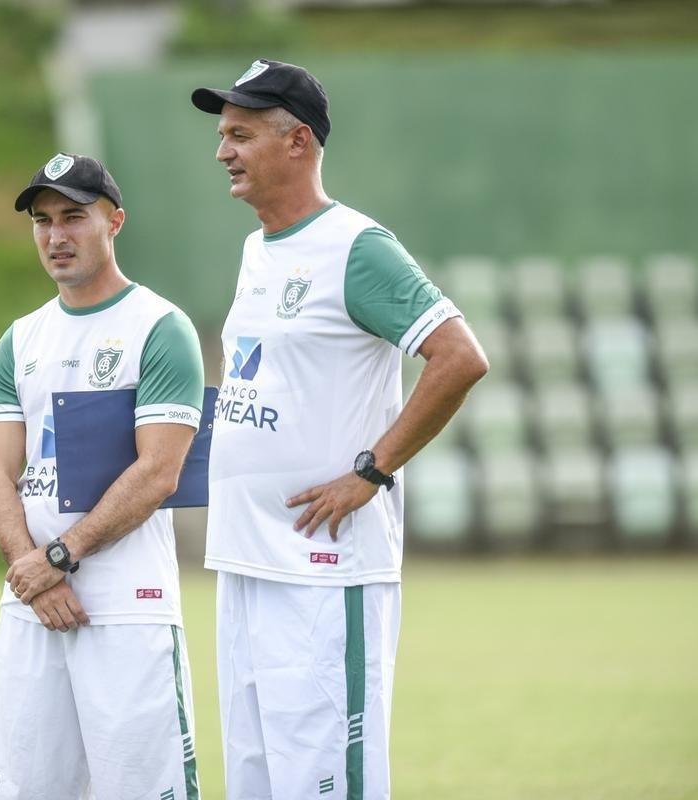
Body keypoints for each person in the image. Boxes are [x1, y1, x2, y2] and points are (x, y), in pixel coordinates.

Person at [190, 61, 489, 799]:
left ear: (298, 141)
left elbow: (459, 357)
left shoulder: (357, 247)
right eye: (222, 135)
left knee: (324, 784)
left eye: (240, 135)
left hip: (323, 571)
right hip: (245, 562)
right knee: (258, 781)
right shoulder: (258, 249)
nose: (223, 151)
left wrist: (371, 471)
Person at [0, 153, 205, 800]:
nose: (56, 235)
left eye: (74, 217)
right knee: (26, 789)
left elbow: (158, 471)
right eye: (42, 220)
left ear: (115, 222)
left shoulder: (160, 328)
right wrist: (32, 571)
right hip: (30, 604)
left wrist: (59, 557)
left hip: (128, 604)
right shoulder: (20, 339)